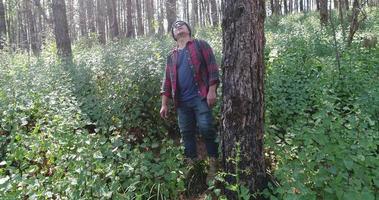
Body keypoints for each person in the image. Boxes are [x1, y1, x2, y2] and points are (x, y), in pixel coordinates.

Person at [159, 20, 219, 183]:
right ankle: (192, 163)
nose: (178, 26)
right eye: (175, 26)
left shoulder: (200, 45)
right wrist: (164, 104)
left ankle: (214, 164)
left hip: (201, 97)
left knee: (207, 129)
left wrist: (212, 91)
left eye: (182, 24)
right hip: (182, 103)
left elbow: (213, 67)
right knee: (186, 134)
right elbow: (167, 82)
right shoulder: (171, 56)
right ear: (173, 34)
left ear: (189, 30)